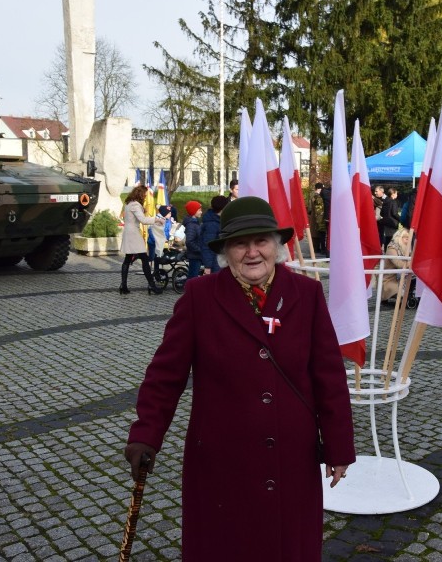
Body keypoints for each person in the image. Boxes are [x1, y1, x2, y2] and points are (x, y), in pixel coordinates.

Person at [124, 196, 355, 561]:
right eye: (239, 243)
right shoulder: (200, 297)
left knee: (287, 547)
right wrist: (146, 434)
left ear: (276, 247)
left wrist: (339, 447)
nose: (252, 252)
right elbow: (164, 376)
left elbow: (328, 375)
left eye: (261, 240)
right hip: (221, 462)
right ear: (225, 251)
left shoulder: (307, 294)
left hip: (292, 458)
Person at [119, 185, 164, 295]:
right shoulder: (135, 205)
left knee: (127, 259)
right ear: (140, 194)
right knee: (144, 259)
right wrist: (157, 219)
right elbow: (143, 220)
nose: (145, 196)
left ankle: (123, 285)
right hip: (133, 233)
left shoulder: (129, 204)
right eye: (144, 194)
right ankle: (152, 285)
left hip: (129, 232)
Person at [381, 228, 411, 303]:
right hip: (389, 279)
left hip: (402, 276)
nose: (408, 241)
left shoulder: (404, 247)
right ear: (400, 238)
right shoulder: (392, 248)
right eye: (406, 239)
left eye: (409, 239)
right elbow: (398, 263)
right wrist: (411, 263)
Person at [200, 195, 228, 274]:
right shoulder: (211, 224)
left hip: (220, 261)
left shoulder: (218, 221)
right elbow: (207, 245)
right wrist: (208, 266)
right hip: (216, 263)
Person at [183, 200, 203, 279]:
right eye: (199, 210)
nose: (201, 212)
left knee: (193, 276)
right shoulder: (191, 225)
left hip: (197, 255)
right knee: (193, 277)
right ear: (193, 211)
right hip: (194, 256)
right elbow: (189, 241)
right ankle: (189, 291)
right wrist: (200, 249)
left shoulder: (195, 222)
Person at [376, 185, 400, 251]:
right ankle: (392, 254)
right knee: (393, 240)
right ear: (393, 194)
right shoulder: (393, 202)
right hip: (392, 223)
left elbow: (381, 213)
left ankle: (386, 253)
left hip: (386, 223)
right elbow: (394, 213)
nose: (397, 195)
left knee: (387, 239)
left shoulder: (385, 202)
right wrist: (401, 219)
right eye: (396, 193)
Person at [309, 183, 328, 255]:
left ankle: (318, 248)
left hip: (316, 216)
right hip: (319, 216)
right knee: (319, 233)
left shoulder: (314, 195)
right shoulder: (317, 195)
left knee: (317, 233)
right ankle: (318, 248)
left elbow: (311, 208)